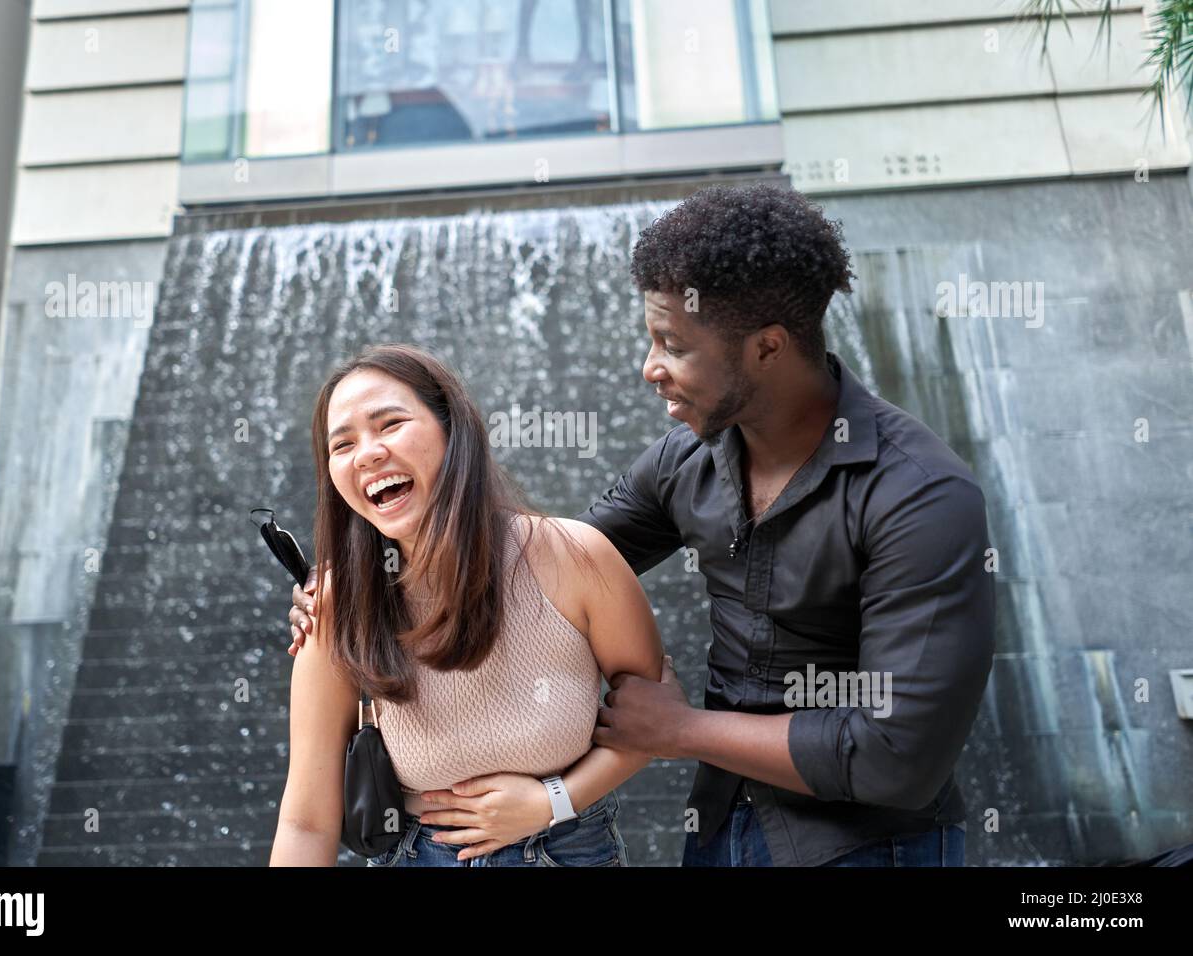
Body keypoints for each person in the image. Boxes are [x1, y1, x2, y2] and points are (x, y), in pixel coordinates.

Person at [289, 184, 996, 867]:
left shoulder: (919, 495)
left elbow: (897, 756)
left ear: (768, 347)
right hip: (724, 826)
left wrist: (677, 731)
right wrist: (370, 581)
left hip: (873, 844)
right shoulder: (685, 461)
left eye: (673, 344)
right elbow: (536, 568)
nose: (649, 367)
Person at [270, 344, 664, 867]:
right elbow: (306, 821)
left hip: (565, 848)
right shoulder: (339, 604)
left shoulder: (575, 557)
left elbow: (659, 721)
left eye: (389, 424)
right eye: (342, 445)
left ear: (452, 429)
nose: (367, 452)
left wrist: (552, 802)